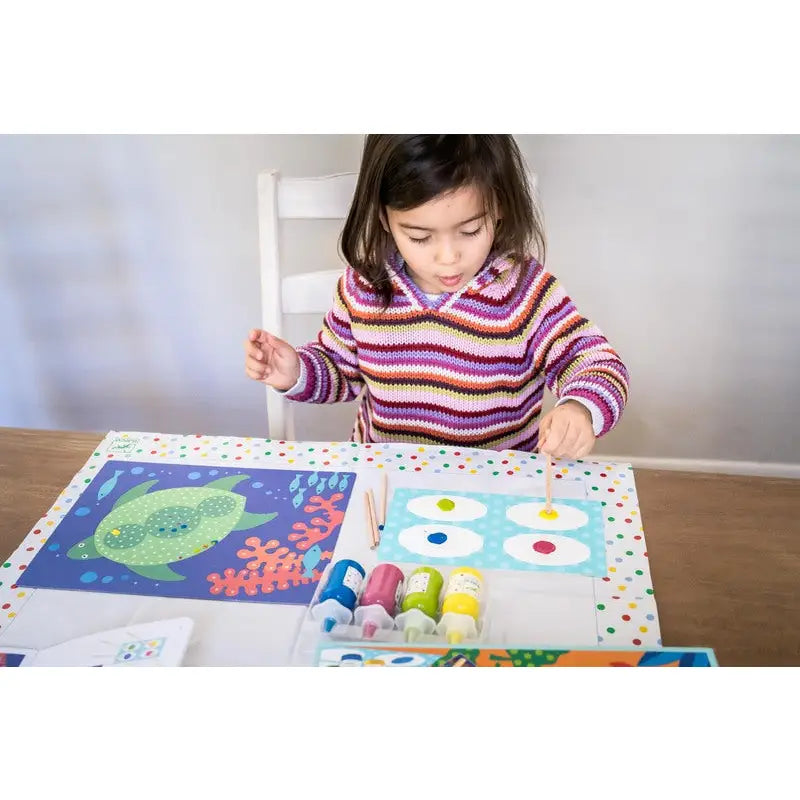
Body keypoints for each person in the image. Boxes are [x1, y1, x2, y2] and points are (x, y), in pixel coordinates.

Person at [244, 135, 628, 458]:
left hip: (495, 494)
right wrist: (294, 372)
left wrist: (579, 407)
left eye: (470, 230)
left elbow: (595, 362)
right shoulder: (363, 288)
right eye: (420, 238)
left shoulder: (522, 289)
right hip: (385, 485)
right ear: (384, 219)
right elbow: (340, 372)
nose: (448, 257)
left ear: (497, 208)